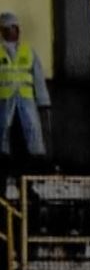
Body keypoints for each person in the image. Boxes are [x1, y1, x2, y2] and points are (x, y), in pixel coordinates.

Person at [0, 11, 48, 160]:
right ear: (3, 30)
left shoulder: (28, 51)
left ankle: (36, 160)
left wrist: (43, 101)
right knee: (3, 129)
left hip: (26, 99)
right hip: (4, 99)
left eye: (16, 27)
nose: (15, 30)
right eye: (10, 27)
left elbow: (38, 78)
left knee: (33, 128)